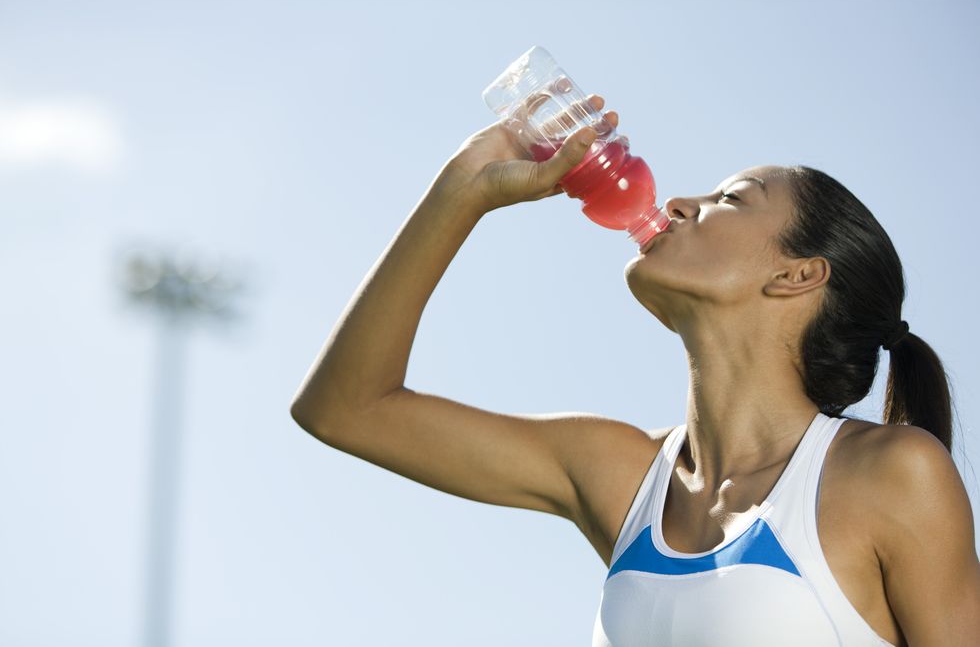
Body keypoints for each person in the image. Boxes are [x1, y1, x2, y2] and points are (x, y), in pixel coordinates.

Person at [289, 93, 980, 646]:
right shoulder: (620, 473)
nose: (680, 203)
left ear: (798, 275)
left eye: (729, 199)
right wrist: (465, 188)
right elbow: (345, 407)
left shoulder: (891, 473)